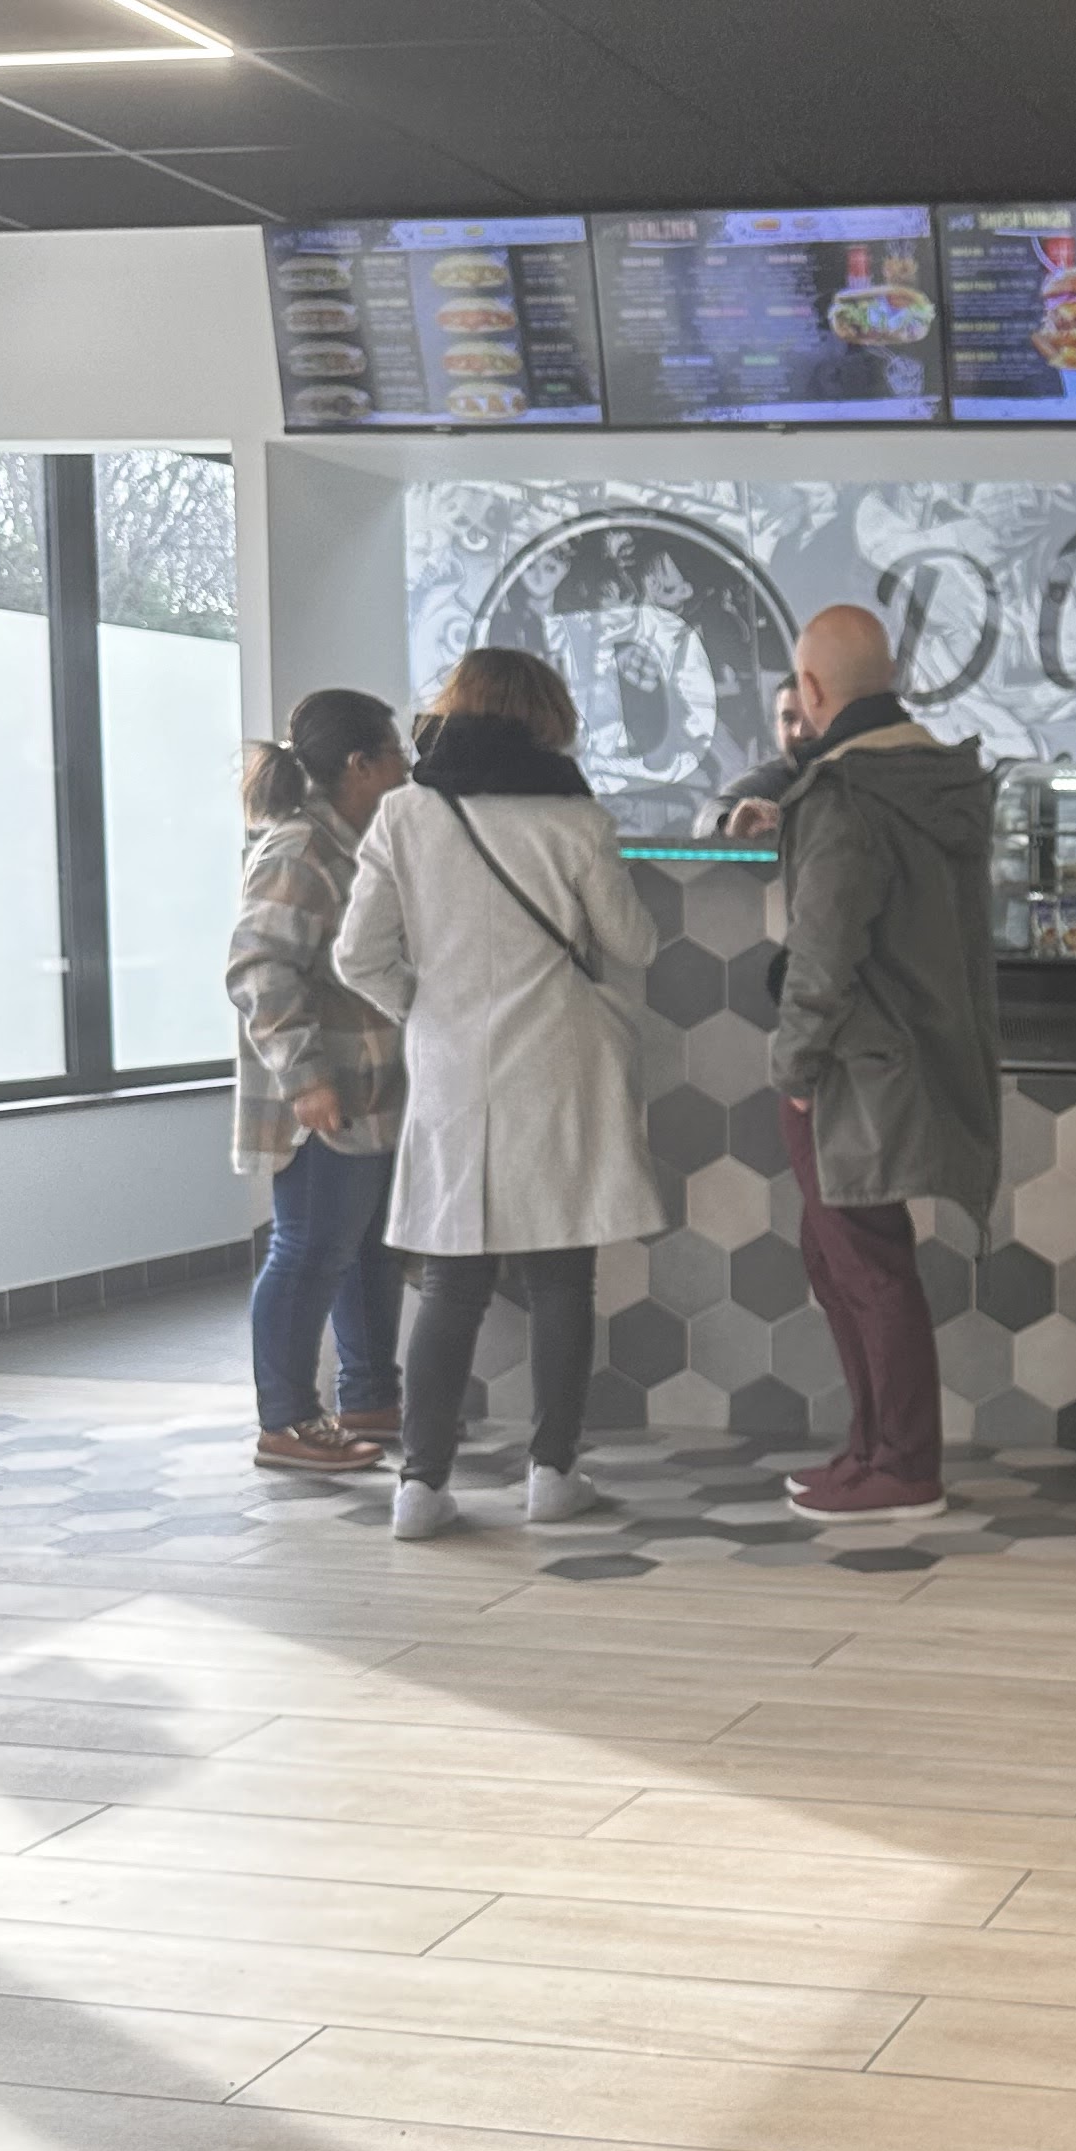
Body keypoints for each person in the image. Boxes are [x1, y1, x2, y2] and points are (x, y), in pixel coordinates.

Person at [333, 646, 663, 1544]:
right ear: (548, 719)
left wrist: (428, 1010)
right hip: (558, 1065)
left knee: (452, 1282)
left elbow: (357, 955)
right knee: (561, 1277)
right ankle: (552, 1473)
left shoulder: (406, 813)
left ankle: (420, 1487)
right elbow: (633, 944)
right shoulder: (575, 816)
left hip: (452, 1071)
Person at [770, 600, 1001, 1528]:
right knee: (850, 1256)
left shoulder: (847, 795)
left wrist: (792, 1065)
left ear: (811, 689)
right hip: (922, 1050)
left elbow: (823, 951)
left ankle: (901, 1465)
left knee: (862, 1262)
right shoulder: (938, 777)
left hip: (851, 1068)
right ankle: (874, 1451)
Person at [228, 688, 410, 1477]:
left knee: (366, 1251)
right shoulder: (301, 848)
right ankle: (287, 1422)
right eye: (395, 752)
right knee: (308, 1251)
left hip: (368, 1092)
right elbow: (258, 967)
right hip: (321, 1100)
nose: (407, 766)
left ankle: (368, 1398)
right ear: (359, 765)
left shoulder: (356, 842)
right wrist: (306, 1078)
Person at [697, 675, 809, 842]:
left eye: (810, 719)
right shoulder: (777, 776)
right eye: (788, 719)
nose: (799, 732)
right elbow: (711, 815)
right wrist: (728, 825)